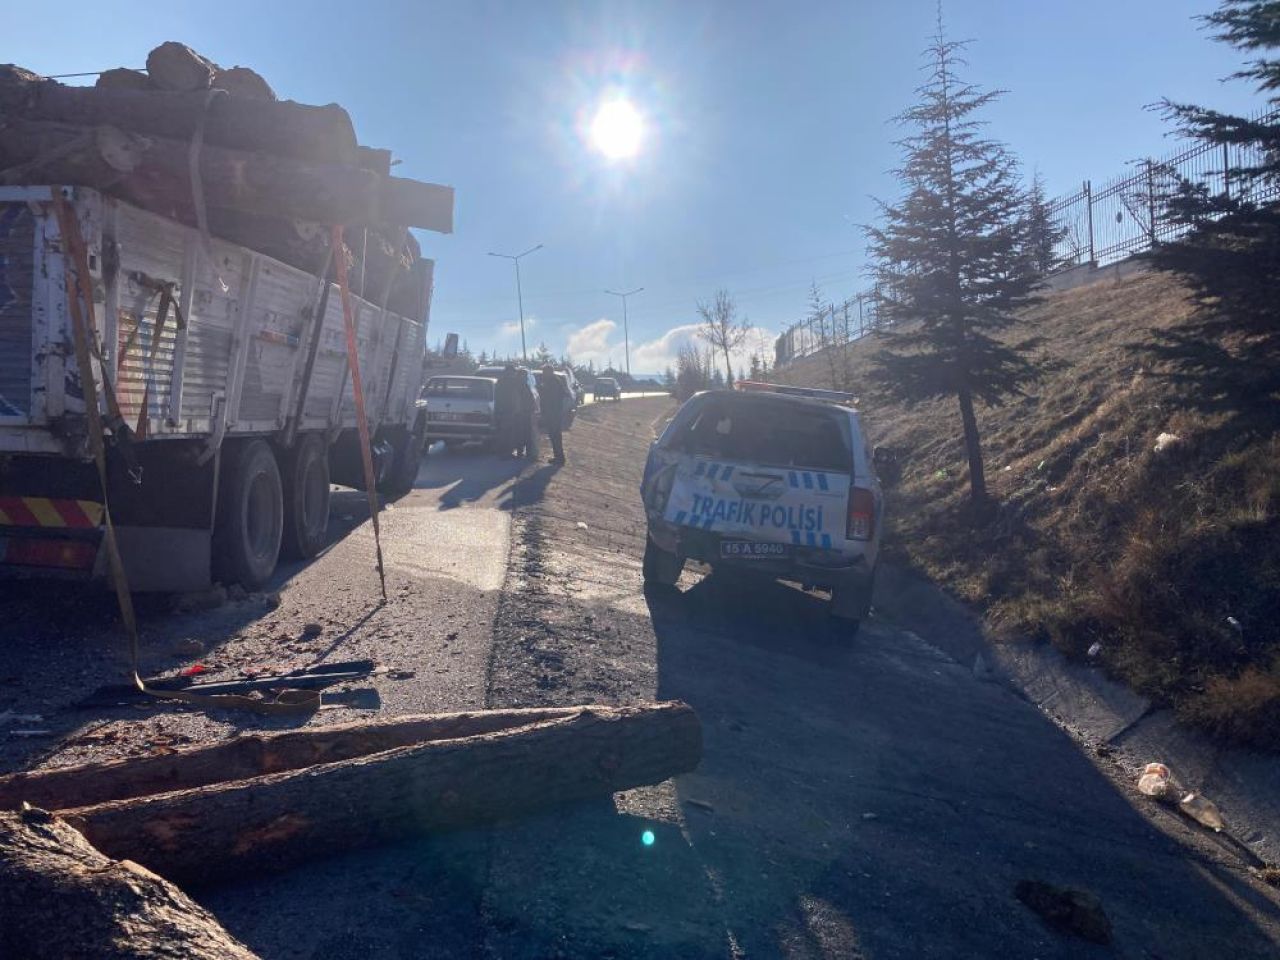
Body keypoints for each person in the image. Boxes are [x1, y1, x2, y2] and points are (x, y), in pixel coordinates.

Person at [538, 364, 568, 464]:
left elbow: (552, 399)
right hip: (553, 412)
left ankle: (559, 457)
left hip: (554, 413)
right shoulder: (552, 381)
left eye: (544, 371)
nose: (543, 373)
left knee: (555, 435)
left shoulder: (553, 382)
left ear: (549, 372)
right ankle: (558, 456)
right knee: (554, 435)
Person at [493, 365, 521, 457]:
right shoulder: (511, 382)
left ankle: (504, 451)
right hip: (508, 410)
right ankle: (506, 452)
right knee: (508, 432)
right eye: (512, 372)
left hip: (505, 410)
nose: (513, 373)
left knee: (505, 432)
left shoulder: (501, 382)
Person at [515, 370, 538, 460]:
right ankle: (520, 452)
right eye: (523, 376)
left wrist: (532, 408)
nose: (525, 378)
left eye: (525, 376)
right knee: (521, 433)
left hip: (526, 412)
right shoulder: (518, 386)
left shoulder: (526, 385)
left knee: (527, 433)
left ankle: (527, 452)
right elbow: (517, 400)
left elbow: (530, 398)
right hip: (520, 413)